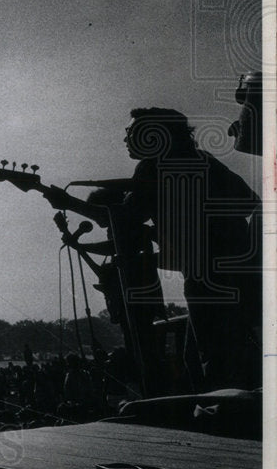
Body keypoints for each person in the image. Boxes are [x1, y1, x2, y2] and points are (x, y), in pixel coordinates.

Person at [53, 107, 261, 391]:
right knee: (202, 358)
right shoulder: (202, 160)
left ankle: (228, 426)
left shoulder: (155, 167)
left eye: (132, 132)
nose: (126, 139)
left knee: (213, 363)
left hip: (207, 277)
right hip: (243, 270)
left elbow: (118, 218)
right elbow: (249, 200)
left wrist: (65, 201)